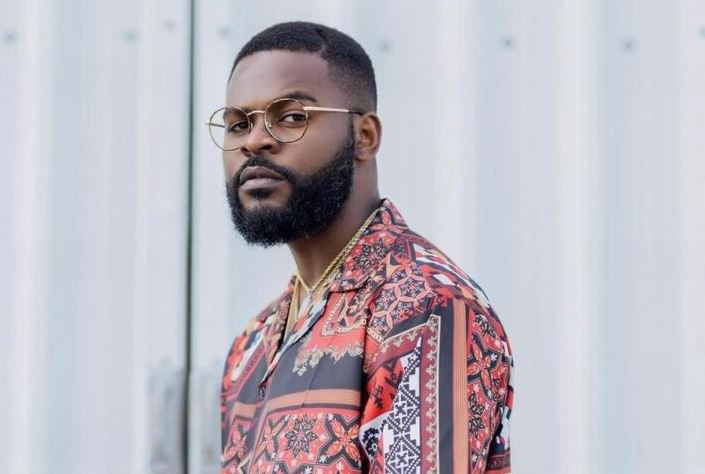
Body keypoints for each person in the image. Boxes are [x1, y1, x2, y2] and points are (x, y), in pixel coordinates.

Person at [213, 21, 514, 474]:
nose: (255, 140)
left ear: (365, 136)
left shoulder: (425, 309)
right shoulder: (251, 346)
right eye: (239, 124)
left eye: (292, 117)